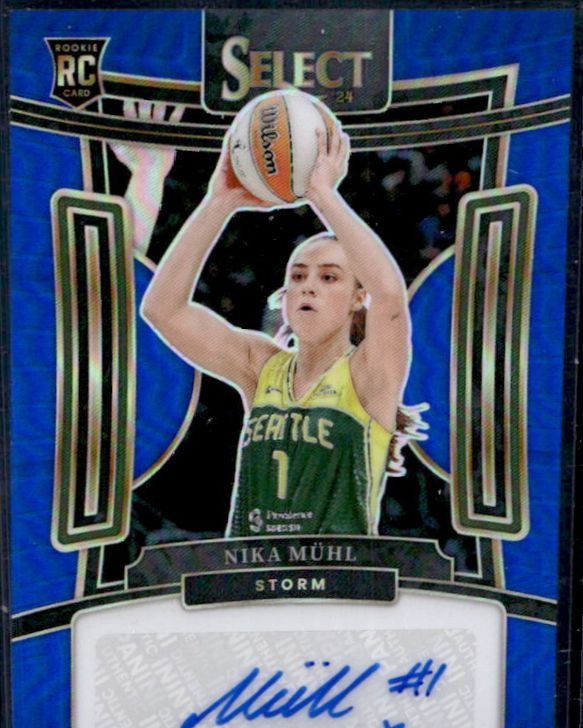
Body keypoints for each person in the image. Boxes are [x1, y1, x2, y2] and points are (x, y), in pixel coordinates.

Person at [141, 119, 421, 538]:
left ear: (357, 298)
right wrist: (219, 202)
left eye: (329, 277)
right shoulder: (261, 365)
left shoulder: (369, 374)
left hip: (333, 576)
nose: (308, 285)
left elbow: (390, 295)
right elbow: (162, 309)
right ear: (285, 295)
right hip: (252, 569)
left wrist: (322, 195)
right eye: (298, 275)